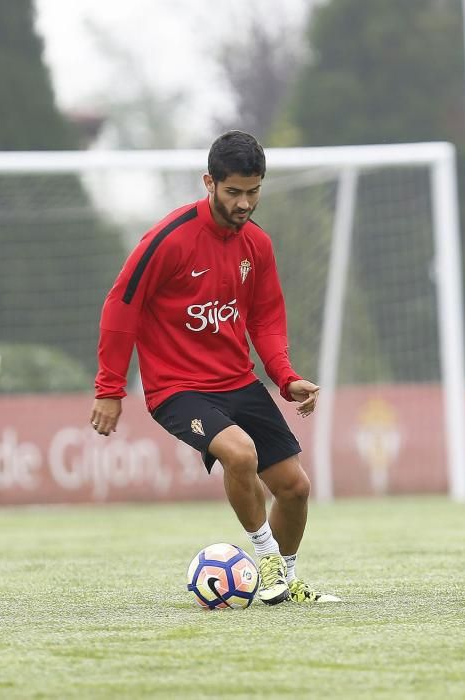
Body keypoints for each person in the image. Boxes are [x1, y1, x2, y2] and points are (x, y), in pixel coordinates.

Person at [90, 130, 340, 605]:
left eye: (253, 191)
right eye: (234, 192)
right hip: (177, 389)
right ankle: (264, 559)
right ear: (209, 182)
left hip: (238, 380)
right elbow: (120, 308)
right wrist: (109, 388)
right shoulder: (167, 239)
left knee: (295, 488)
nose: (245, 203)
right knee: (240, 453)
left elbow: (266, 320)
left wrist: (286, 378)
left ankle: (283, 583)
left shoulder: (258, 246)